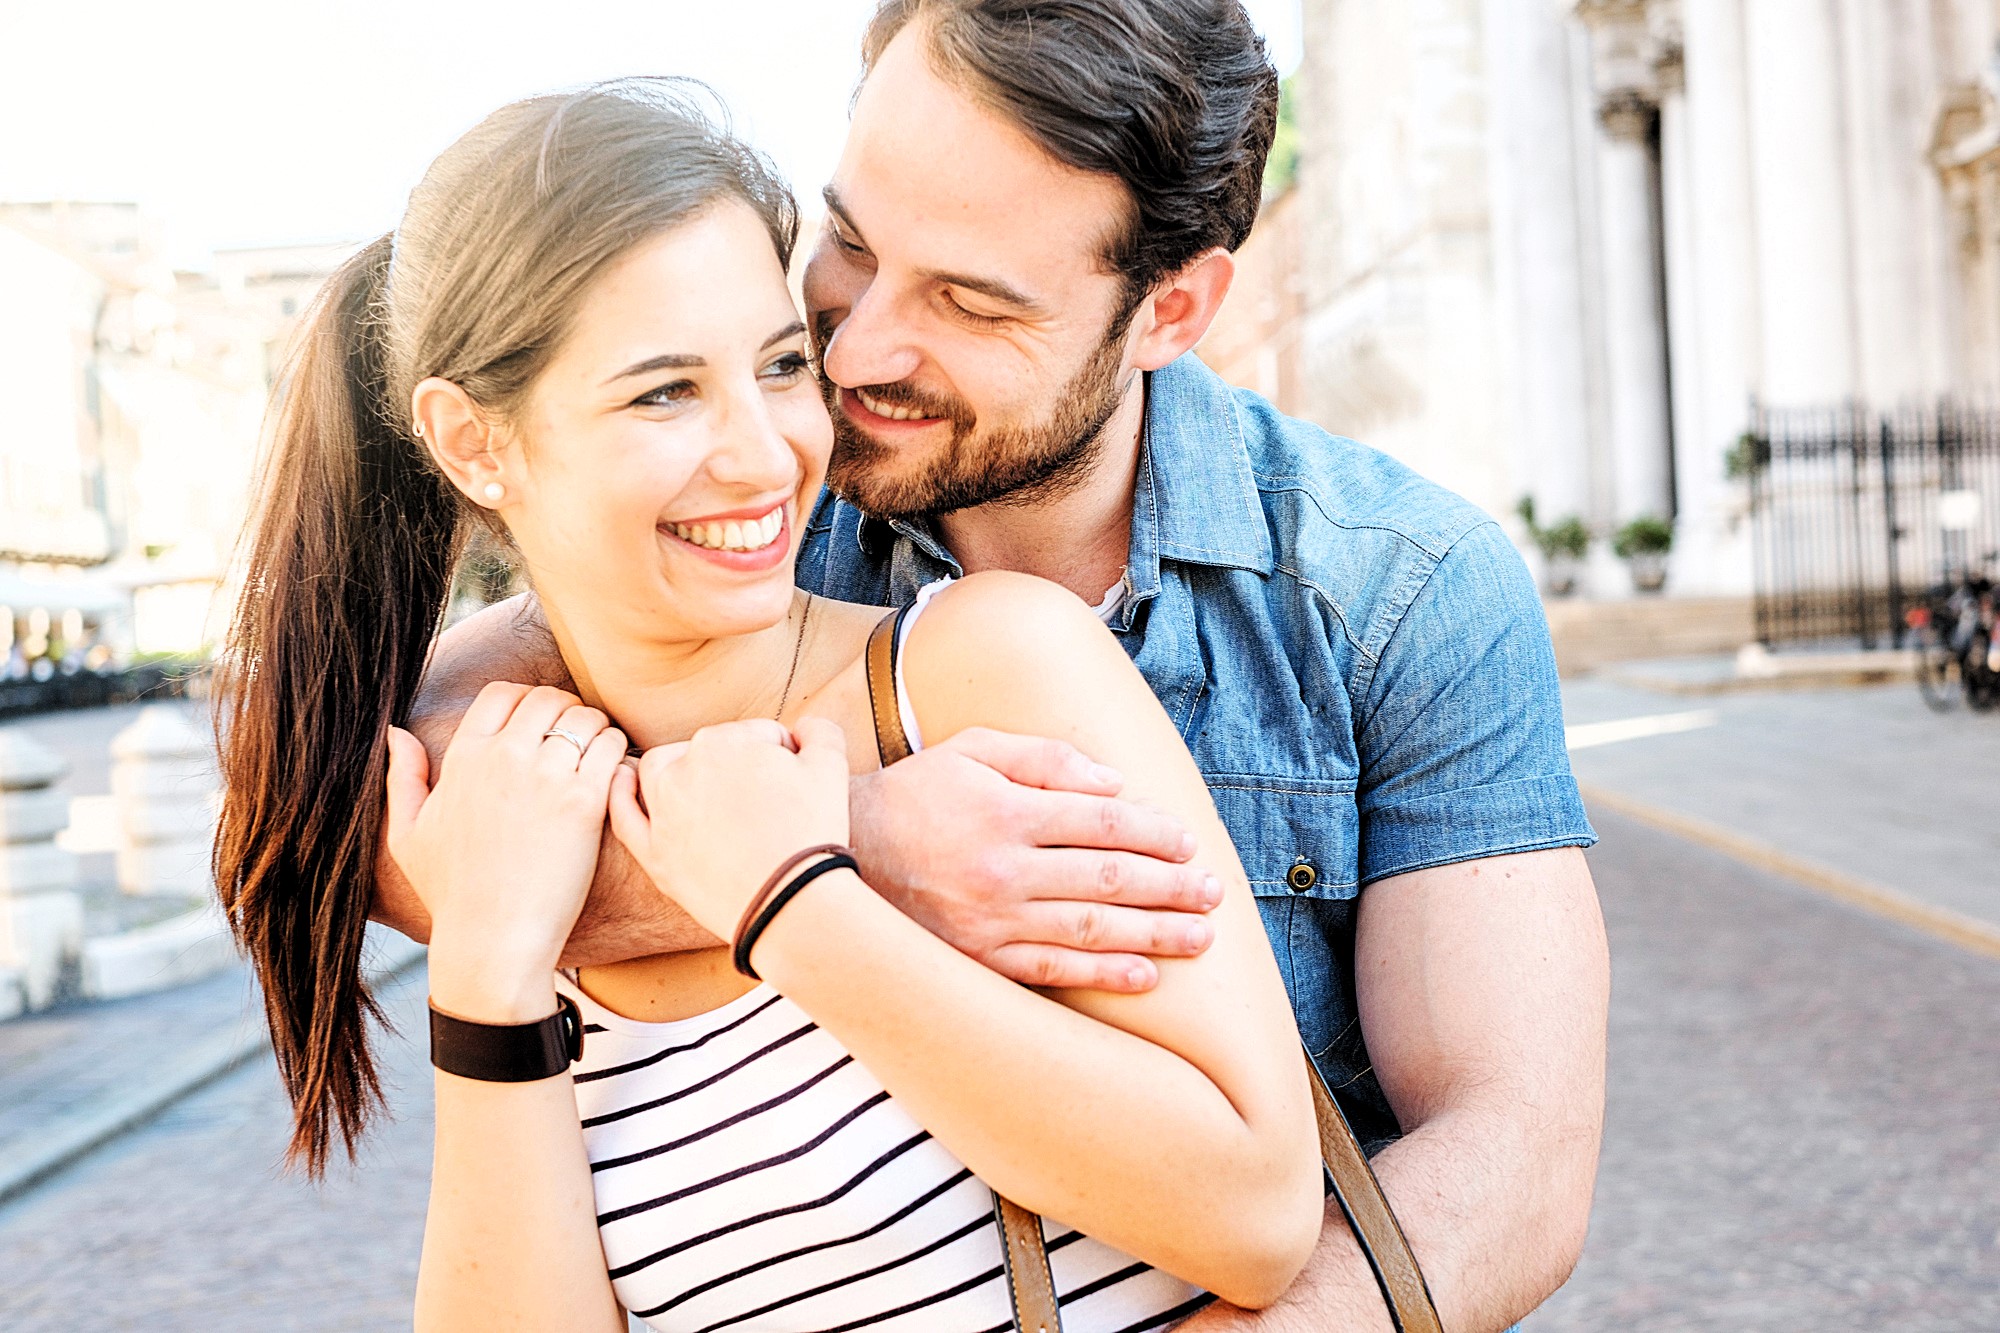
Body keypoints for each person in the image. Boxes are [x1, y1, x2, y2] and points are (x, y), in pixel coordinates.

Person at [388, 3, 1614, 1330]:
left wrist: (807, 873)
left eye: (970, 301)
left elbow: (1513, 1168)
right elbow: (344, 819)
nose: (853, 354)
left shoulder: (1396, 590)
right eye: (850, 241)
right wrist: (869, 843)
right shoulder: (731, 543)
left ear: (1172, 308)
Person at [214, 79, 1324, 1332]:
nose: (766, 451)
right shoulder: (500, 809)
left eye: (780, 364)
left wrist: (792, 898)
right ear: (475, 444)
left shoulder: (978, 671)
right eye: (662, 392)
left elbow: (1258, 1218)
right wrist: (488, 970)